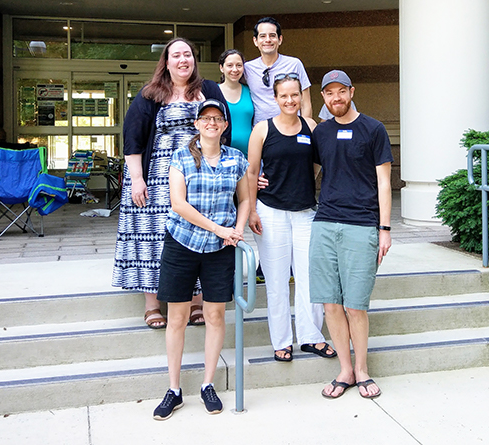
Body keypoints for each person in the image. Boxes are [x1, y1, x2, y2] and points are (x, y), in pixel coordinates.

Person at [112, 38, 231, 329]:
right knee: (153, 240)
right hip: (156, 180)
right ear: (166, 62)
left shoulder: (209, 90)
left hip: (201, 178)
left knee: (200, 233)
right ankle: (153, 304)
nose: (182, 60)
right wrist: (137, 179)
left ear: (194, 60)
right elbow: (133, 139)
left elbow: (223, 127)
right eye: (176, 55)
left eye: (187, 54)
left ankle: (196, 302)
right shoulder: (150, 94)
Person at [153, 99, 250, 420]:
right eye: (205, 118)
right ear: (196, 124)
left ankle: (208, 384)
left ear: (224, 125)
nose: (211, 123)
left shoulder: (236, 158)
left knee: (215, 316)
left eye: (217, 118)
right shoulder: (180, 157)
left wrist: (236, 229)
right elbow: (178, 204)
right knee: (177, 318)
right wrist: (220, 228)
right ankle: (174, 389)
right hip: (182, 243)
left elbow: (246, 198)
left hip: (221, 249)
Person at [310, 70, 393, 399]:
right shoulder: (322, 133)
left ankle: (362, 370)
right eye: (329, 93)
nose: (335, 98)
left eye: (341, 91)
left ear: (352, 92)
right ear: (324, 98)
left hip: (362, 225)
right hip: (324, 224)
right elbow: (310, 172)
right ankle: (344, 369)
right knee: (331, 304)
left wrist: (384, 229)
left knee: (356, 306)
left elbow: (384, 182)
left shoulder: (373, 129)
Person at [247, 73, 336, 362]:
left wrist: (305, 181)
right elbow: (250, 172)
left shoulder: (311, 127)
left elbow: (321, 162)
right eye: (283, 95)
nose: (289, 100)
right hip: (270, 212)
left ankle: (311, 337)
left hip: (305, 213)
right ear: (275, 98)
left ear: (301, 96)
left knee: (310, 278)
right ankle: (282, 341)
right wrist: (250, 210)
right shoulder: (262, 129)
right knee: (276, 280)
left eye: (294, 95)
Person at [244, 17, 312, 125]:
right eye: (262, 36)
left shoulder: (294, 64)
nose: (268, 40)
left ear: (280, 40)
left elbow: (305, 103)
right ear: (255, 41)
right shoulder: (247, 68)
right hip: (261, 132)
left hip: (292, 129)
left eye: (272, 36)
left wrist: (304, 130)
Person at [218, 49, 253, 158]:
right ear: (221, 68)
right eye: (230, 65)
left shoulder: (250, 91)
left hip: (249, 155)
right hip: (221, 154)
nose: (235, 69)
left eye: (239, 65)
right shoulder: (214, 92)